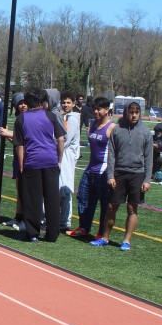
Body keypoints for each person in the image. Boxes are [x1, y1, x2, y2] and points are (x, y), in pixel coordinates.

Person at [91, 102, 152, 251]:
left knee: (132, 208)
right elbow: (111, 154)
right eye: (131, 112)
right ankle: (105, 237)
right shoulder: (117, 130)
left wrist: (147, 180)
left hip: (137, 174)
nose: (134, 115)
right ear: (126, 113)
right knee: (111, 206)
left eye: (137, 112)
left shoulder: (146, 132)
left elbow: (149, 157)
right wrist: (110, 175)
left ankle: (126, 241)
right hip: (119, 173)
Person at [13, 89, 66, 242]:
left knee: (33, 199)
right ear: (42, 102)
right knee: (52, 198)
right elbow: (61, 139)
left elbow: (20, 145)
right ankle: (52, 234)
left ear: (27, 102)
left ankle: (33, 233)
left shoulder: (21, 118)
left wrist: (21, 165)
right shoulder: (50, 116)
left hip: (32, 161)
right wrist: (59, 159)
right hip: (50, 160)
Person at [69, 97, 116, 238]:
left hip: (103, 171)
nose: (95, 112)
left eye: (99, 109)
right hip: (90, 169)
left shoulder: (112, 128)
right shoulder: (93, 124)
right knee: (83, 197)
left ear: (106, 110)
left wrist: (112, 173)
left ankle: (101, 233)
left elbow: (116, 152)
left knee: (104, 204)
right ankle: (84, 227)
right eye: (94, 109)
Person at [0, 93, 29, 230]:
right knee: (19, 188)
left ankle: (26, 219)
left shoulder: (29, 118)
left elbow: (26, 137)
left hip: (27, 158)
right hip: (17, 157)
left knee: (25, 189)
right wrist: (8, 136)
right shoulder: (19, 118)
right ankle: (18, 216)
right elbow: (18, 141)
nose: (23, 105)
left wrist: (8, 133)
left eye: (25, 103)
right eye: (20, 103)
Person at [58, 92, 81, 231]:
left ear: (73, 104)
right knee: (60, 187)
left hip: (67, 156)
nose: (65, 105)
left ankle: (65, 221)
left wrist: (56, 146)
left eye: (68, 102)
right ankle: (61, 219)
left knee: (65, 188)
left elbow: (66, 140)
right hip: (63, 154)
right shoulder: (65, 116)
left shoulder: (72, 119)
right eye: (63, 102)